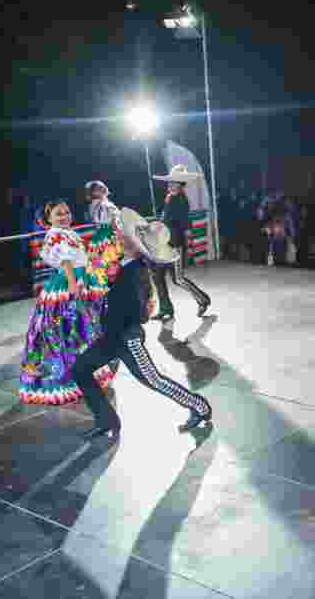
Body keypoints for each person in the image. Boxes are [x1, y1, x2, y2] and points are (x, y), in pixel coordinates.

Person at [72, 208, 212, 441]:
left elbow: (136, 312)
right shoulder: (120, 263)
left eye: (123, 233)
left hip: (128, 338)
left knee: (154, 380)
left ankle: (199, 405)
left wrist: (104, 311)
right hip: (113, 336)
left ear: (134, 244)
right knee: (81, 369)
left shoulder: (135, 271)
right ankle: (106, 420)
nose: (118, 233)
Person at [19, 200, 116, 405]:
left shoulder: (69, 233)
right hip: (68, 284)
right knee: (66, 328)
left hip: (81, 279)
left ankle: (83, 370)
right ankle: (66, 374)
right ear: (49, 219)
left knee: (81, 328)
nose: (64, 217)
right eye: (58, 214)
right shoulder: (54, 234)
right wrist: (73, 285)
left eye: (67, 212)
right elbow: (65, 262)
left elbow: (80, 259)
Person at [150, 165, 211, 321]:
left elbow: (185, 224)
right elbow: (166, 220)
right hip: (164, 244)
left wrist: (188, 244)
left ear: (180, 184)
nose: (169, 185)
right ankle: (166, 309)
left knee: (178, 279)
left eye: (173, 182)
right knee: (157, 276)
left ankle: (203, 300)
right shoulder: (170, 197)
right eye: (169, 182)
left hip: (175, 244)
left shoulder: (181, 200)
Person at [84, 180, 122, 285]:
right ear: (94, 193)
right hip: (109, 234)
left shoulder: (92, 205)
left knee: (100, 264)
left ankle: (104, 285)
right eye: (100, 188)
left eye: (103, 187)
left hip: (99, 236)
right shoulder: (106, 205)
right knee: (113, 262)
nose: (104, 188)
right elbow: (115, 223)